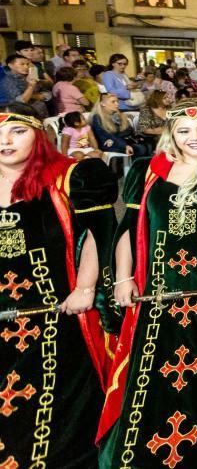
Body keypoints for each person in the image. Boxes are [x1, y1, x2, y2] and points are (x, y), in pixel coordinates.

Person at [99, 100, 197, 468]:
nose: (195, 137)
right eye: (184, 131)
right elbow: (127, 230)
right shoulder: (147, 171)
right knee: (152, 375)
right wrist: (123, 278)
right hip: (156, 293)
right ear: (171, 134)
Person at [0, 102, 118, 467]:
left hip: (58, 315)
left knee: (60, 417)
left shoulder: (70, 178)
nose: (5, 141)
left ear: (39, 134)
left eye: (17, 131)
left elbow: (97, 235)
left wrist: (85, 287)